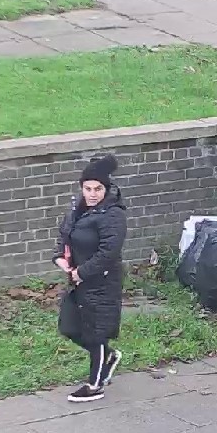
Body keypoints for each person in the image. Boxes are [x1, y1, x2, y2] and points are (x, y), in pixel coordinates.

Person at [53, 154, 127, 403]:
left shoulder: (112, 214)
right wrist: (59, 257)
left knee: (96, 333)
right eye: (88, 188)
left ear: (106, 189)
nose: (93, 194)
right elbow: (65, 235)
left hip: (102, 282)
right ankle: (109, 356)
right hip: (78, 281)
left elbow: (109, 252)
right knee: (70, 327)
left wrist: (81, 272)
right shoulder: (78, 209)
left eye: (98, 189)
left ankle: (95, 385)